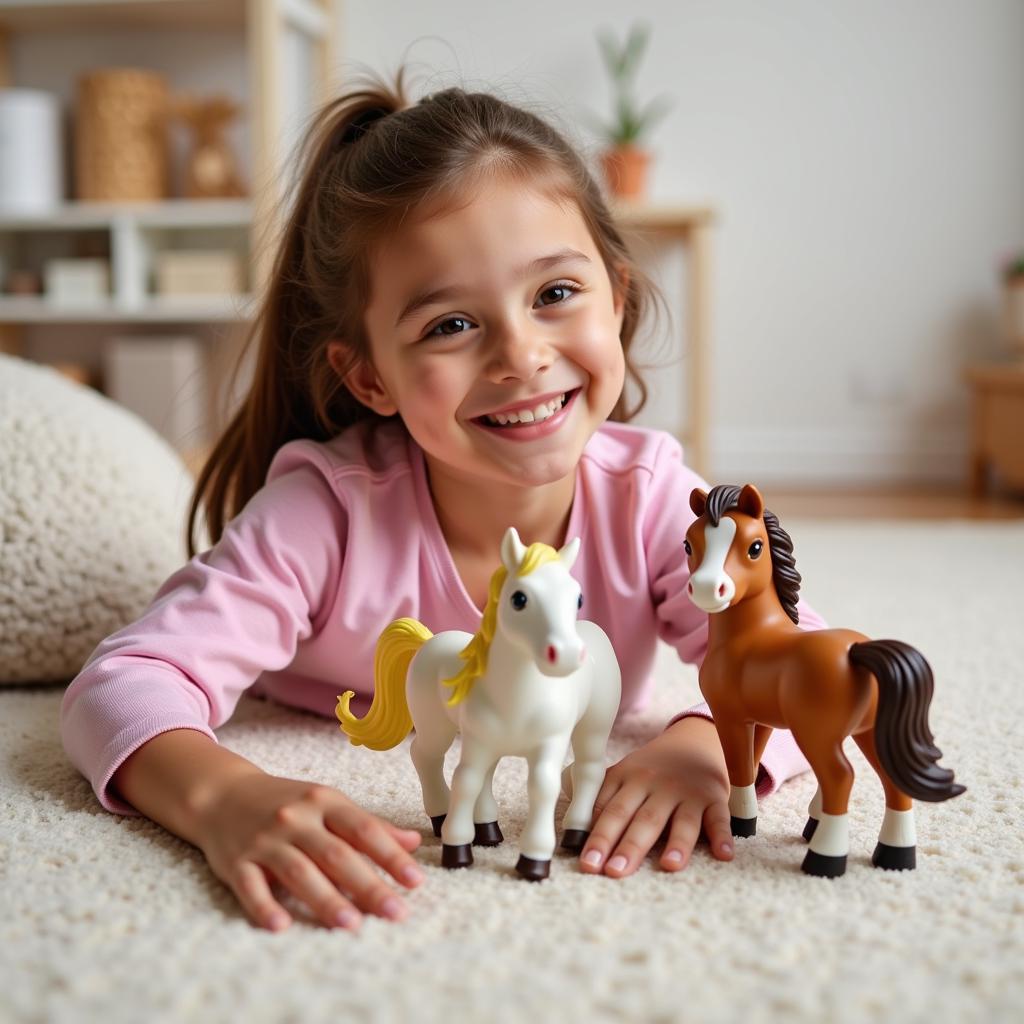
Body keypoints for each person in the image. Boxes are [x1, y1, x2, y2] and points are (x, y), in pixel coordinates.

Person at [60, 72, 824, 934]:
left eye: (555, 294)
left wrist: (698, 748)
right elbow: (118, 686)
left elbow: (798, 662)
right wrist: (222, 796)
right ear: (370, 376)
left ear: (616, 296)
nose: (521, 355)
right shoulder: (327, 512)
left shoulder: (654, 499)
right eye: (450, 325)